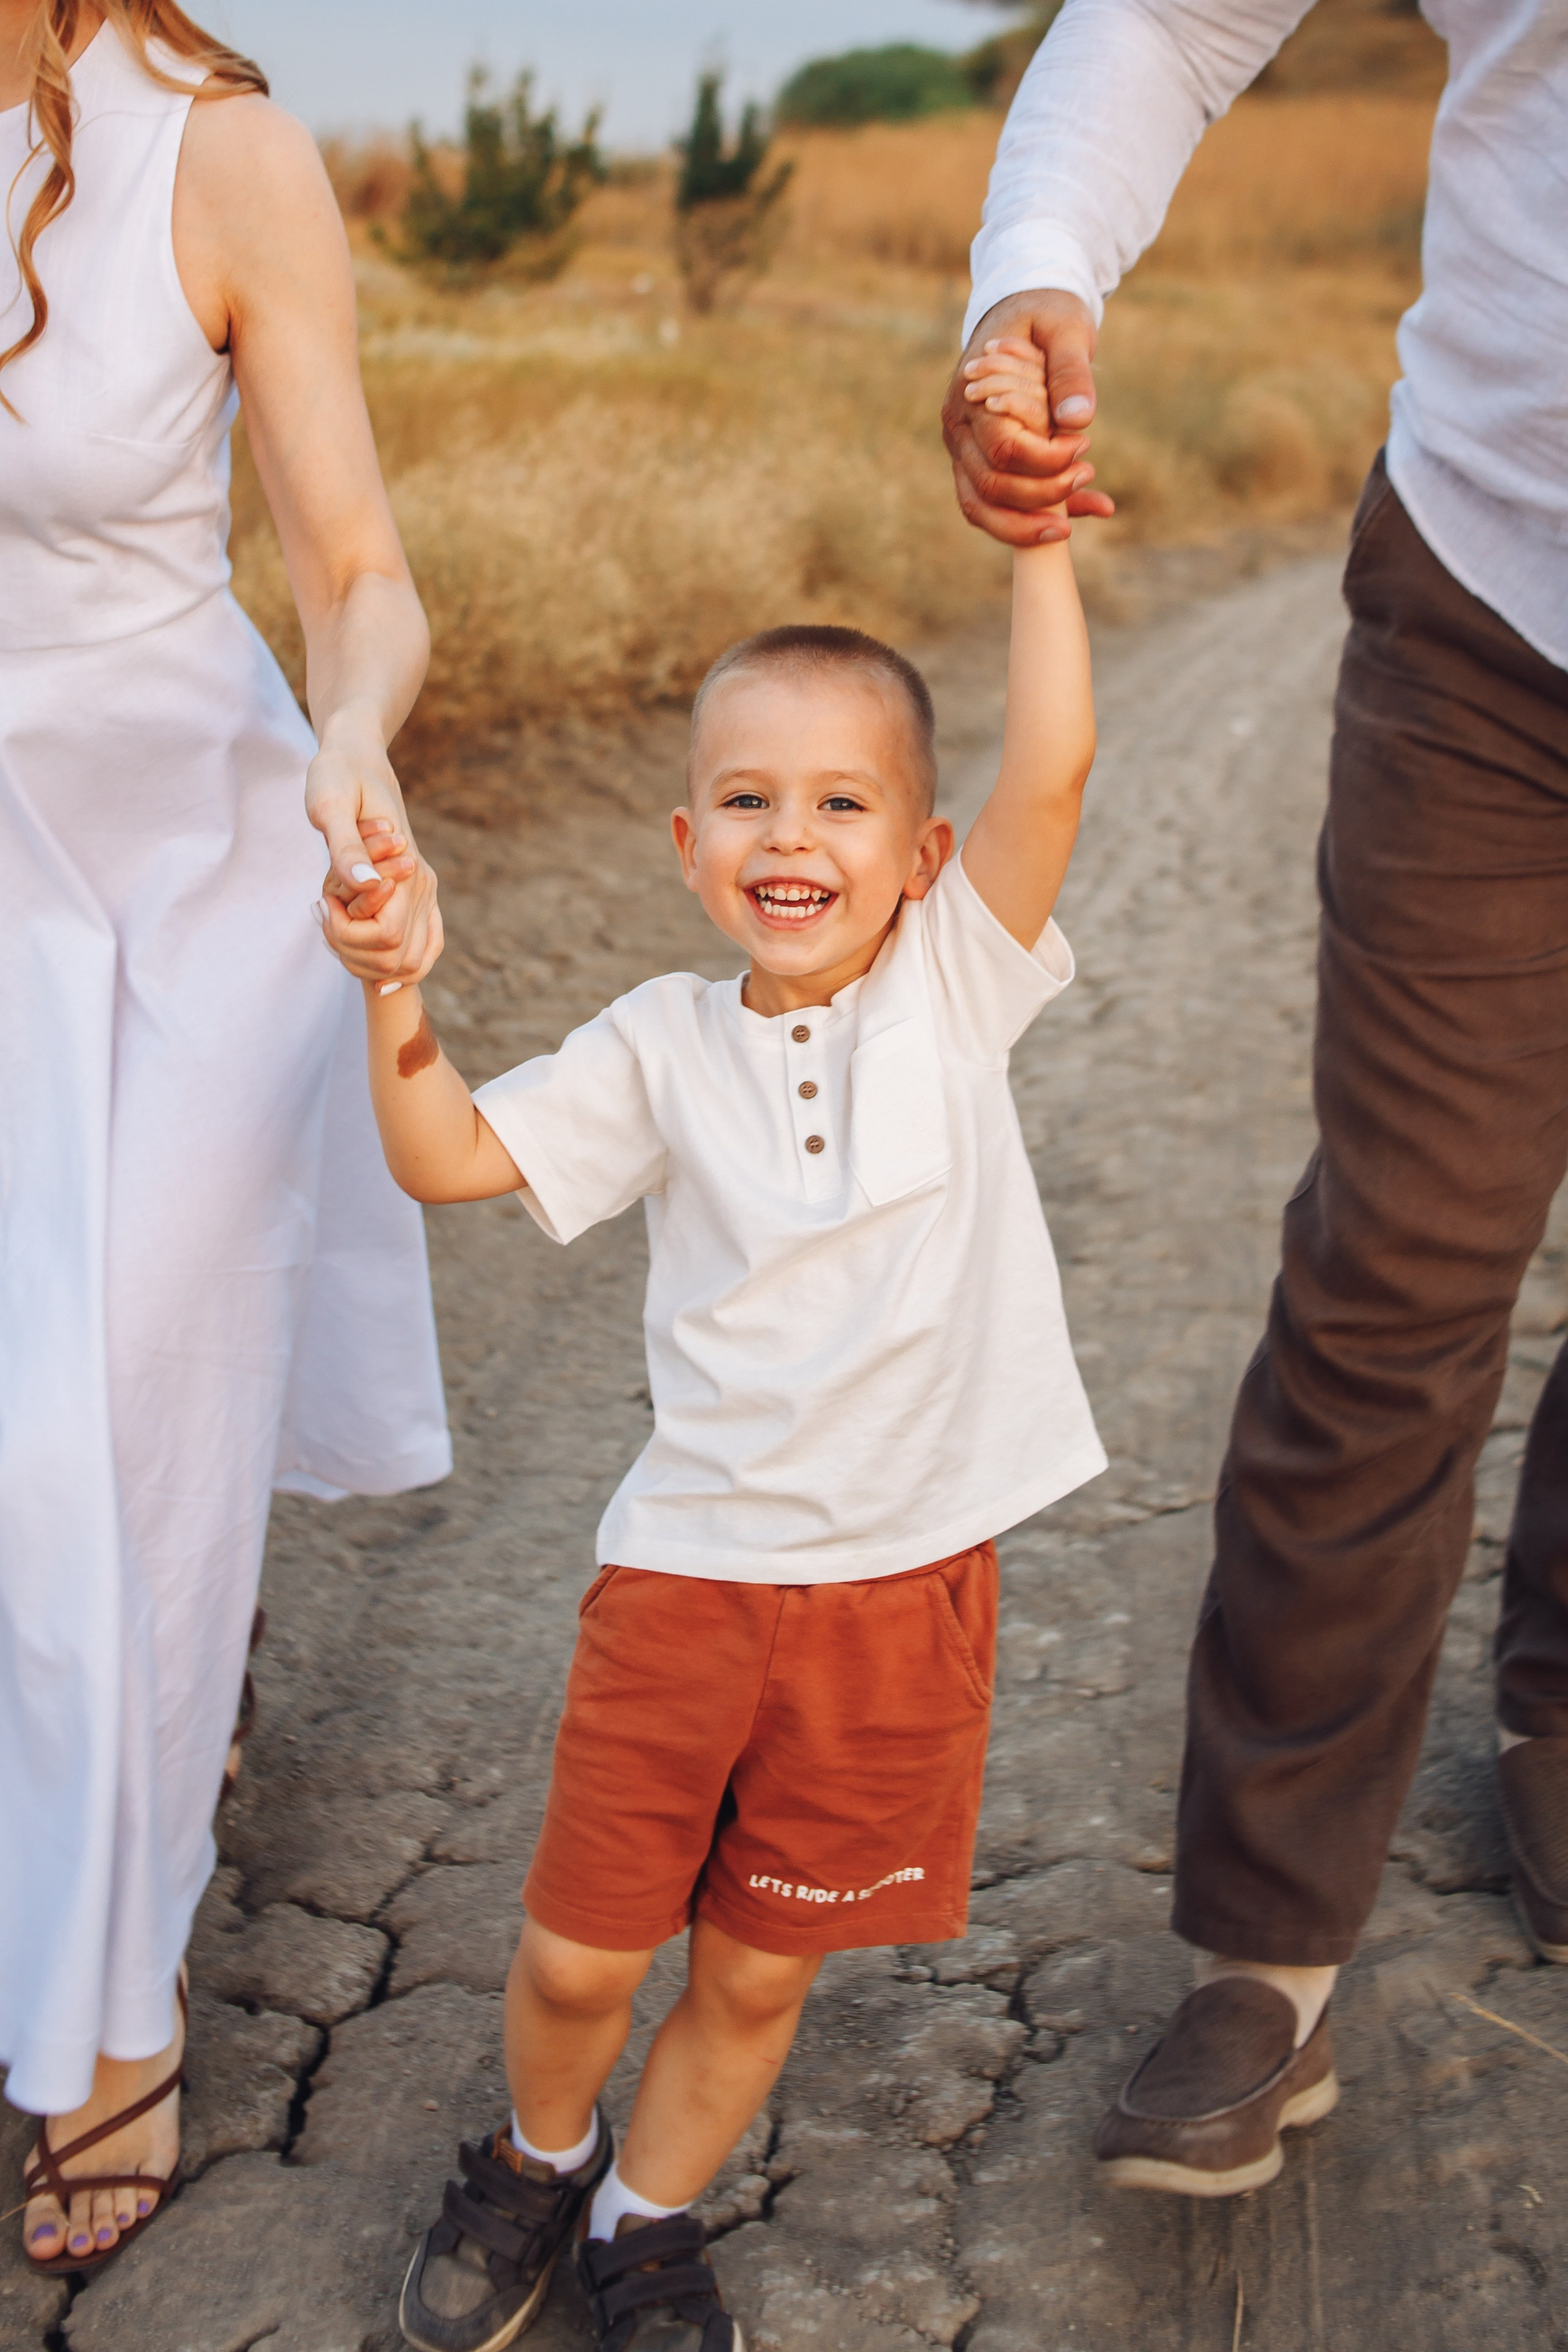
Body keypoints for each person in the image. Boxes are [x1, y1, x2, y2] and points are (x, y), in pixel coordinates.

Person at [320, 337, 1104, 2352]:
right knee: (583, 1961)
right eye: (748, 799)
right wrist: (397, 985)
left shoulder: (955, 990)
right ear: (687, 847)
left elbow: (1052, 767)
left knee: (758, 1976)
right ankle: (537, 2154)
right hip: (687, 1584)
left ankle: (645, 2221)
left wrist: (1033, 538)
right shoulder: (659, 1047)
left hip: (897, 1597)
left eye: (843, 801)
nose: (792, 833)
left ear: (923, 856)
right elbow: (444, 1159)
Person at [943, 0, 1568, 2199]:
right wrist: (1037, 266)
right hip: (1501, 590)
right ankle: (1267, 1952)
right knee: (1406, 1253)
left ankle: (1558, 1699)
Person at [1, 0, 450, 2274]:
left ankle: (112, 1990)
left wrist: (354, 734)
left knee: (107, 1439)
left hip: (194, 879)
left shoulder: (219, 153)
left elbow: (356, 565)